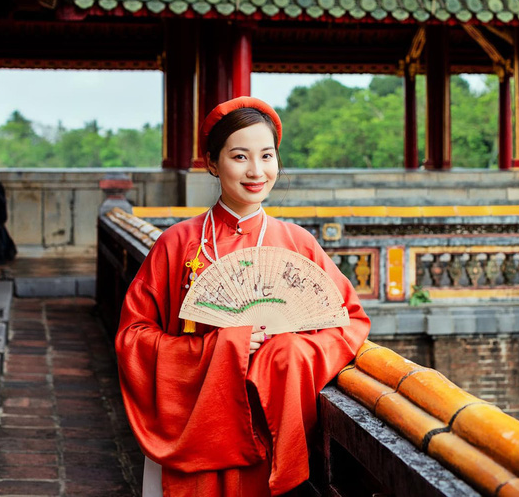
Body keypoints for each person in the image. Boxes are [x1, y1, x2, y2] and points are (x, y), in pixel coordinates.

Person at [116, 97, 371, 497]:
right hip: (199, 423)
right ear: (212, 163)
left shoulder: (297, 244)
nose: (256, 171)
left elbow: (350, 323)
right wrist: (218, 347)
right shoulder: (177, 244)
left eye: (266, 156)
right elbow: (133, 337)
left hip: (268, 429)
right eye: (239, 156)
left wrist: (285, 356)